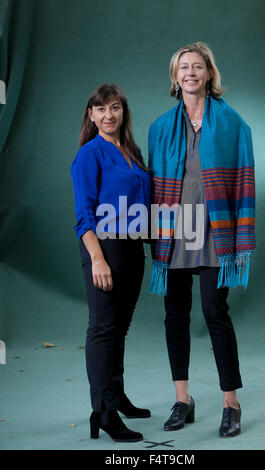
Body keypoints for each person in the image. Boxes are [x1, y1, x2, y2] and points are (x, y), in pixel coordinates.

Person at [148, 42, 255, 438]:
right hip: (175, 232)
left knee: (215, 311)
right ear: (175, 77)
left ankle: (231, 404)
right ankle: (183, 400)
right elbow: (154, 184)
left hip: (216, 233)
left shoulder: (233, 124)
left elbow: (244, 182)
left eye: (198, 67)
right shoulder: (160, 128)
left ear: (210, 74)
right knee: (175, 315)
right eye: (183, 67)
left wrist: (242, 233)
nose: (190, 73)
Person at [71, 83, 151, 442]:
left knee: (119, 329)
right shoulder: (90, 154)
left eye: (114, 108)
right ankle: (103, 412)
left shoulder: (132, 152)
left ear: (123, 112)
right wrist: (98, 259)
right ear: (91, 115)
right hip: (104, 248)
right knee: (103, 328)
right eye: (101, 109)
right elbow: (83, 214)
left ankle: (116, 397)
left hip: (133, 249)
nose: (108, 115)